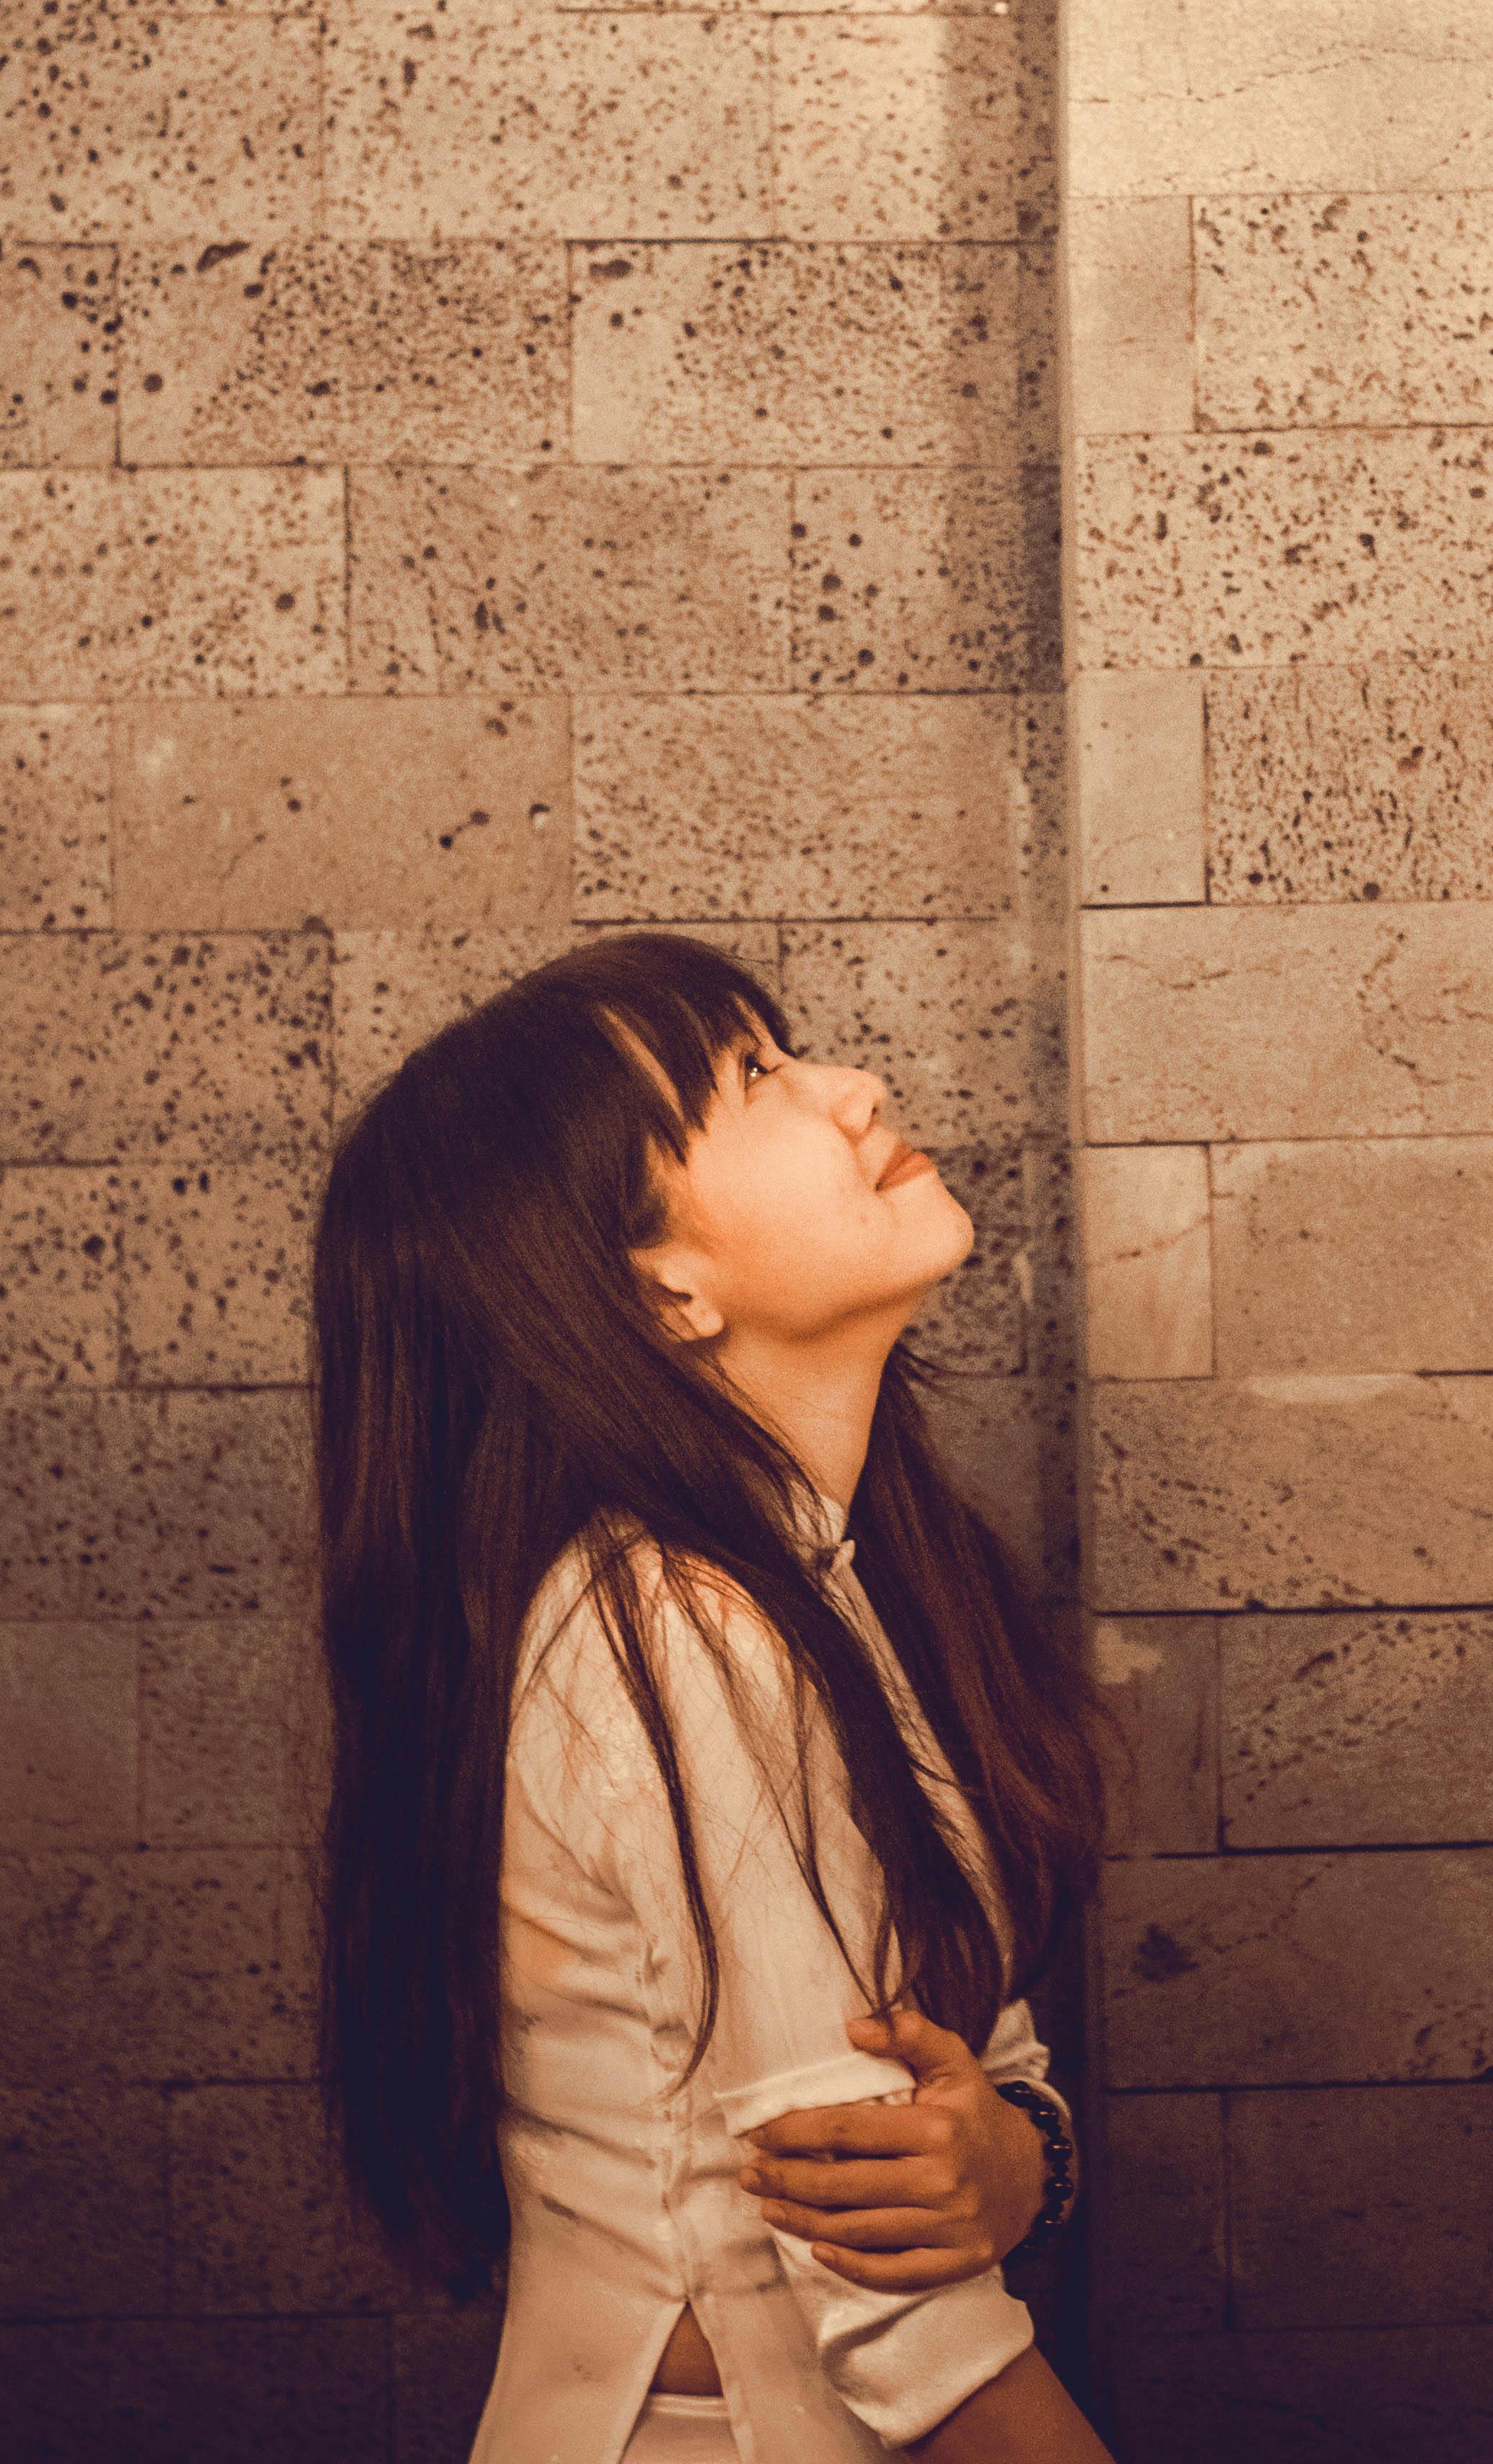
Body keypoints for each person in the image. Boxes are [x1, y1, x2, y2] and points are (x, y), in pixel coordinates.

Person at [310, 927, 1118, 2464]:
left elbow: (969, 2060)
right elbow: (901, 2315)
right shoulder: (676, 1622)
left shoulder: (825, 1577)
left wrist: (1023, 2160)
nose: (858, 1090)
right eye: (754, 1075)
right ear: (657, 1286)